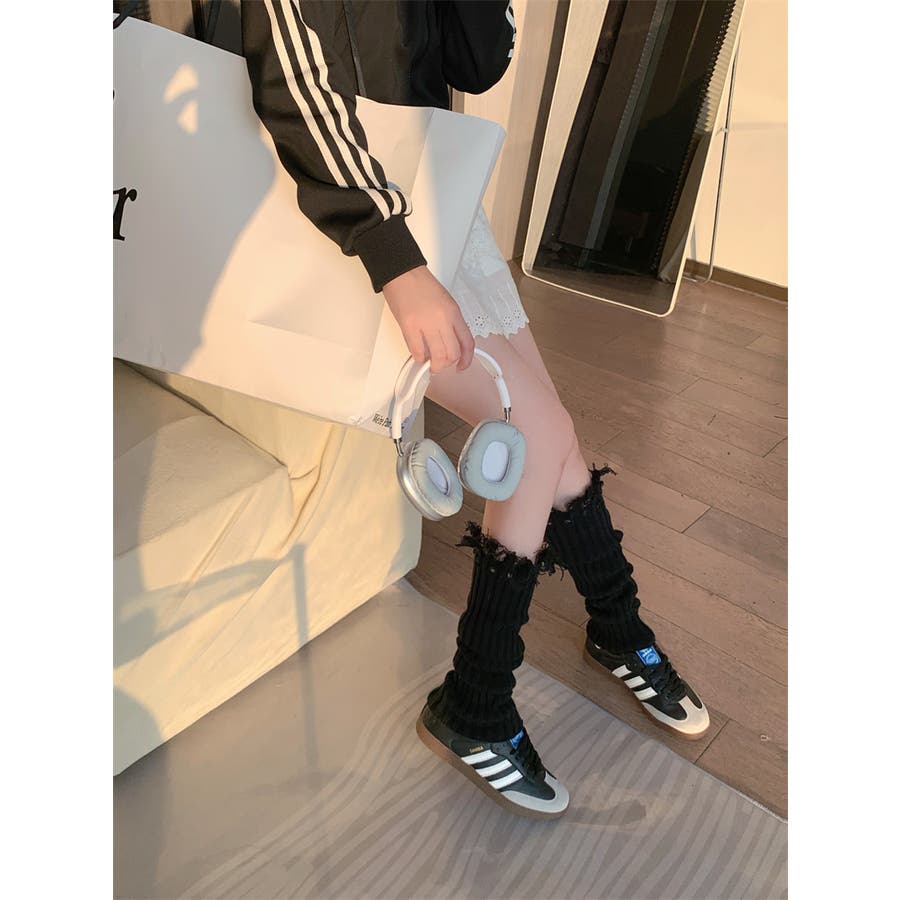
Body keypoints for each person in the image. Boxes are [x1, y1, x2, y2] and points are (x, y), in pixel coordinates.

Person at [241, 0, 708, 820]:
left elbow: (476, 62)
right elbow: (292, 83)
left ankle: (615, 624)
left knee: (552, 433)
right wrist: (394, 261)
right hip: (344, 221)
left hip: (431, 190)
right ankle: (476, 700)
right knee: (533, 434)